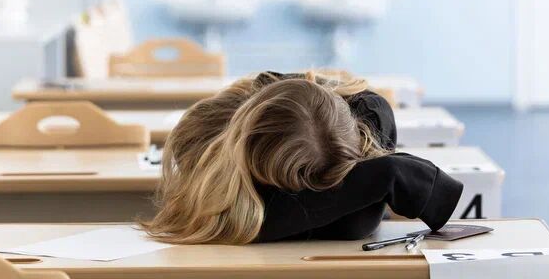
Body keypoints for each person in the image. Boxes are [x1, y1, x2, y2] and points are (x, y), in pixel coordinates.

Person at [141, 70, 463, 244]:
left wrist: (376, 177)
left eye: (336, 176)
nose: (321, 189)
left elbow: (354, 223)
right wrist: (384, 175)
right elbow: (351, 224)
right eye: (306, 182)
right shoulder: (204, 139)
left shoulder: (370, 115)